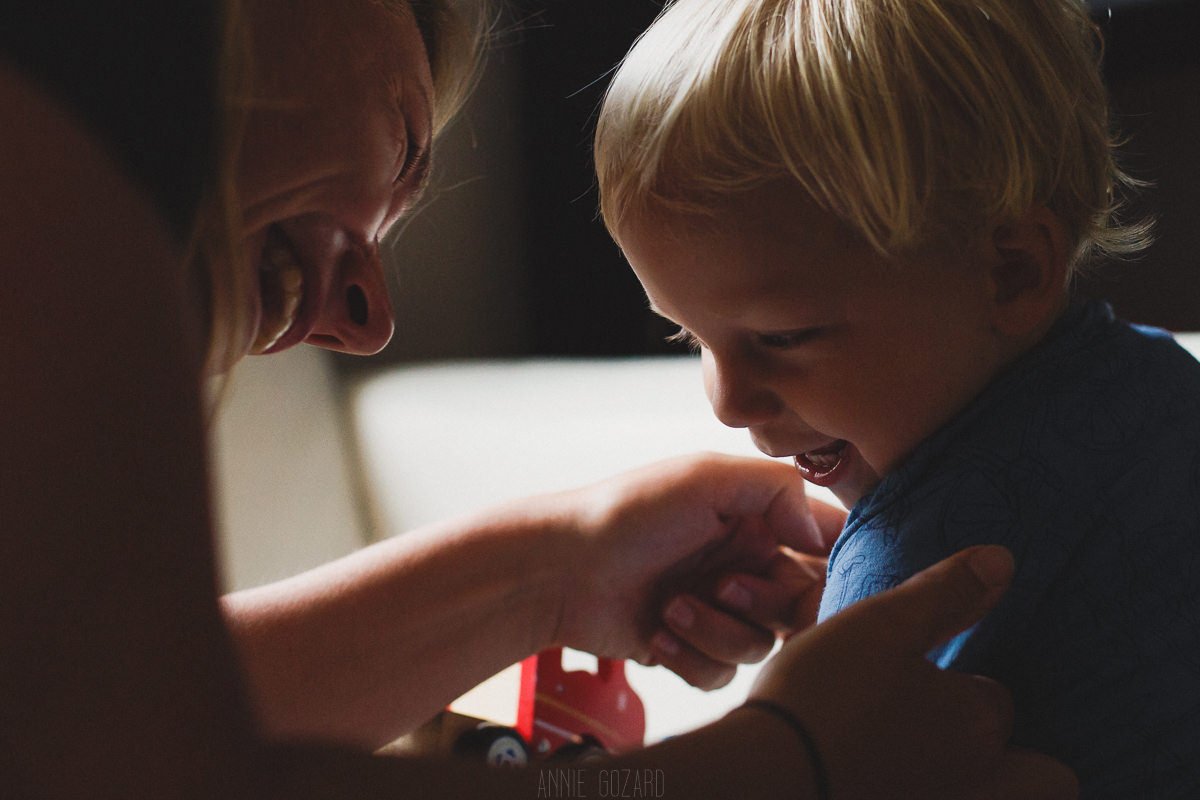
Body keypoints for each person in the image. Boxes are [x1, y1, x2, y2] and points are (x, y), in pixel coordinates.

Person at [0, 0, 1077, 797]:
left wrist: (549, 570)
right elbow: (144, 767)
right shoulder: (56, 115)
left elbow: (81, 707)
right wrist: (773, 764)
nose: (369, 320)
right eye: (405, 145)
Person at [594, 0, 1200, 797]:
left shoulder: (909, 590)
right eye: (691, 338)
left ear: (1010, 273)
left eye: (781, 336)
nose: (729, 403)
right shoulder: (1166, 384)